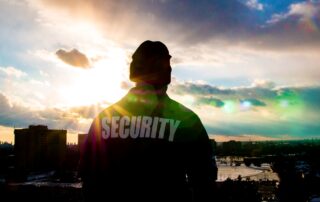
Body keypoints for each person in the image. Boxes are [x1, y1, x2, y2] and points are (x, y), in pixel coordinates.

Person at [79, 40, 217, 202]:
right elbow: (204, 182)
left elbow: (88, 180)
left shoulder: (104, 118)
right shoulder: (186, 119)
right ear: (166, 73)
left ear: (134, 72)